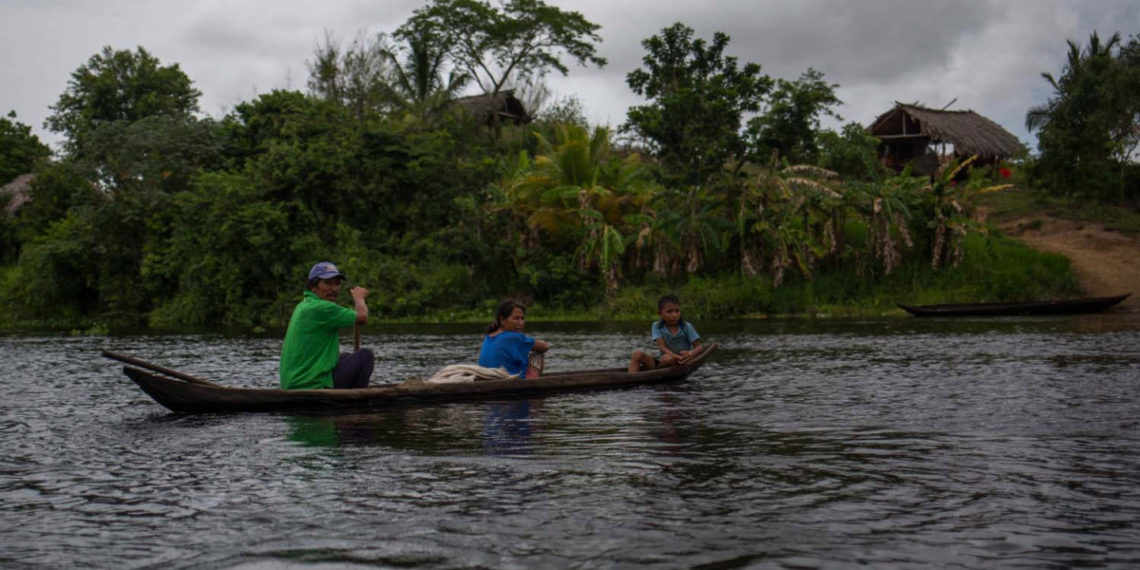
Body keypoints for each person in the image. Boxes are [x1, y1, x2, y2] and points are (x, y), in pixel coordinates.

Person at [279, 261, 373, 390]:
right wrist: (359, 299)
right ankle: (357, 401)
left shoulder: (304, 304)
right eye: (327, 283)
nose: (334, 289)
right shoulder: (322, 308)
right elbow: (362, 317)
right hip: (310, 385)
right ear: (313, 287)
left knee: (346, 357)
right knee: (365, 356)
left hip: (294, 383)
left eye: (337, 284)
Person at [628, 294, 702, 373]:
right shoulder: (657, 326)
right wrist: (676, 356)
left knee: (666, 358)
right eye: (669, 311)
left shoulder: (686, 326)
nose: (674, 315)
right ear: (660, 314)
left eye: (677, 311)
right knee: (637, 355)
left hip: (682, 361)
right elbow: (662, 347)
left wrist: (690, 353)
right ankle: (630, 379)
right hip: (663, 362)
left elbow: (699, 347)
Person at [478, 300, 550, 378]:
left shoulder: (489, 337)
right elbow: (545, 347)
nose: (521, 323)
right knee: (537, 354)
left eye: (522, 318)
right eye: (516, 318)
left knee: (525, 351)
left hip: (489, 378)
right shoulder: (513, 337)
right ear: (502, 320)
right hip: (510, 380)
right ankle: (531, 380)